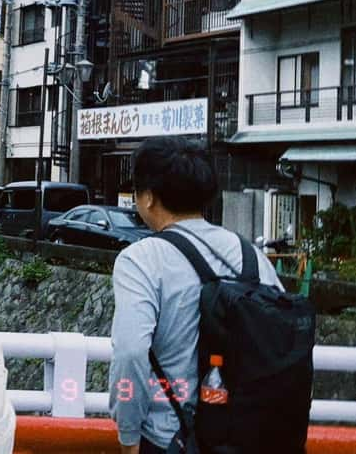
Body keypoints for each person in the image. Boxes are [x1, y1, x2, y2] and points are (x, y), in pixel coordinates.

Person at [109, 136, 282, 454]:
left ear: (148, 197)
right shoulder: (250, 254)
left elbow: (131, 353)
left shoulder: (141, 259)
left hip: (171, 438)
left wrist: (128, 437)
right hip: (249, 437)